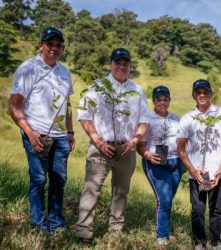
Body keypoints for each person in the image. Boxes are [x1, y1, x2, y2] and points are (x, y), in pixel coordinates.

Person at [75, 48, 150, 241]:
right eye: (118, 62)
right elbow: (84, 116)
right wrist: (97, 140)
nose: (122, 66)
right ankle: (84, 231)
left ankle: (115, 229)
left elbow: (144, 121)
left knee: (121, 191)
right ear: (110, 64)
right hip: (101, 148)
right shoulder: (97, 87)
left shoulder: (137, 91)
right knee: (91, 188)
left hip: (127, 149)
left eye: (126, 63)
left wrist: (134, 140)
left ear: (130, 66)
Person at [8, 27, 75, 234]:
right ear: (41, 45)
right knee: (38, 179)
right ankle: (39, 224)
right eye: (50, 44)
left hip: (60, 136)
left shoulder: (64, 72)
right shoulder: (28, 68)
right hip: (37, 134)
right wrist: (30, 132)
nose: (54, 48)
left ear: (62, 48)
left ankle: (56, 223)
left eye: (58, 45)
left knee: (59, 179)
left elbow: (67, 104)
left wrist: (70, 132)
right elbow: (14, 105)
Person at [177, 79, 221, 250]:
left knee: (216, 210)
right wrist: (193, 170)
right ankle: (199, 241)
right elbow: (181, 148)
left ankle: (215, 242)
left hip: (218, 172)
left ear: (210, 94)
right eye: (198, 92)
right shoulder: (187, 118)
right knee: (197, 210)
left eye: (205, 92)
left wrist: (220, 170)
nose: (202, 95)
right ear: (193, 95)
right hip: (197, 174)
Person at [137, 85, 184, 248]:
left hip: (176, 162)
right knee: (163, 199)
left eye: (165, 99)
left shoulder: (176, 119)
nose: (162, 102)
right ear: (154, 101)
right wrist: (148, 155)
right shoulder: (147, 119)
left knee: (168, 199)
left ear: (169, 101)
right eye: (159, 99)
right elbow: (140, 145)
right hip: (156, 163)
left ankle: (165, 230)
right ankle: (161, 236)